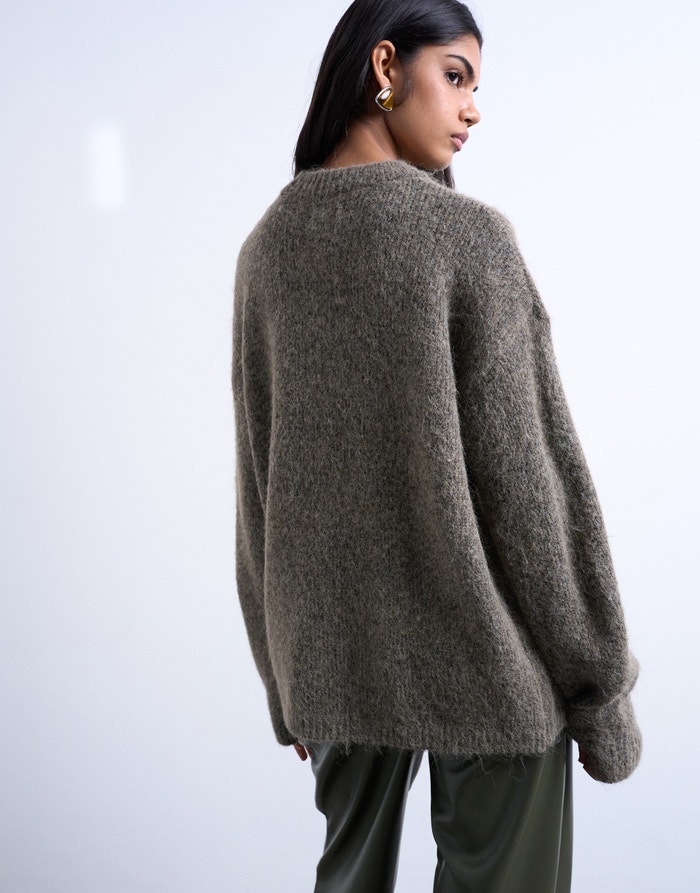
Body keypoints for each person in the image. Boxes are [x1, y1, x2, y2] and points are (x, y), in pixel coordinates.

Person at [231, 0, 642, 890]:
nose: (472, 109)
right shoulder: (468, 241)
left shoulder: (264, 253)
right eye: (456, 77)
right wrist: (598, 687)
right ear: (385, 67)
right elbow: (534, 490)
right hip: (488, 669)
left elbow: (258, 480)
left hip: (334, 669)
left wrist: (283, 675)